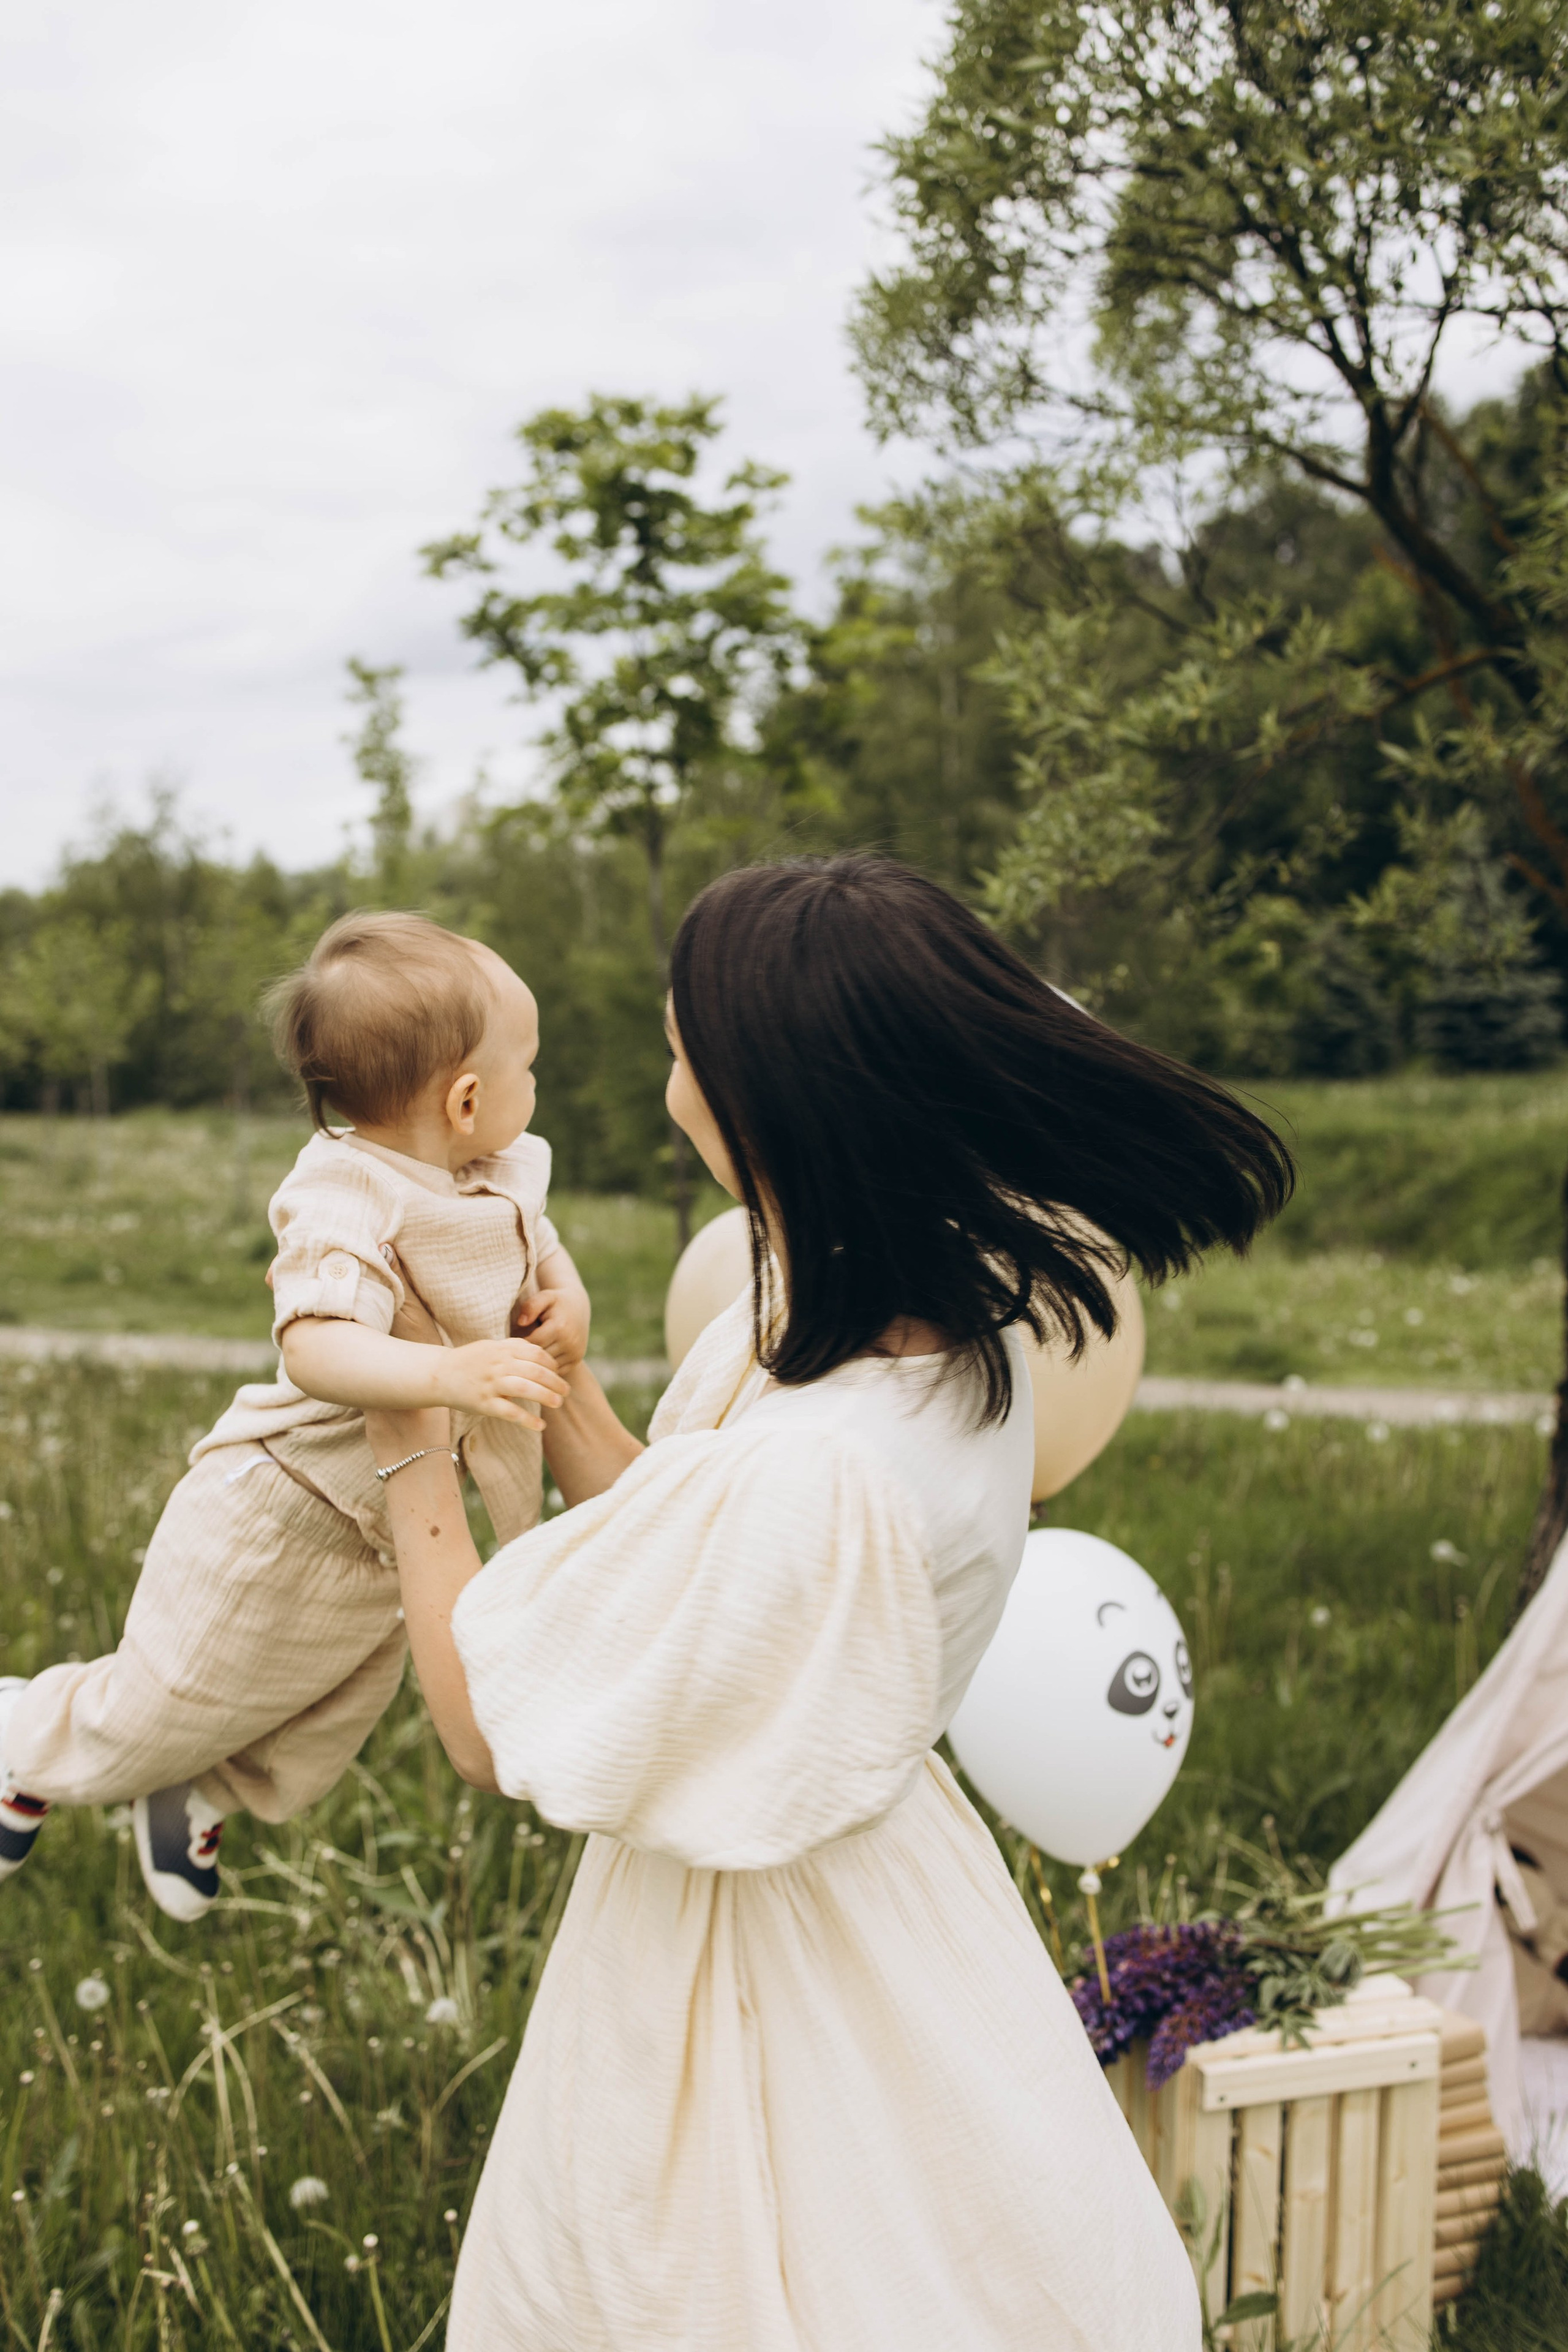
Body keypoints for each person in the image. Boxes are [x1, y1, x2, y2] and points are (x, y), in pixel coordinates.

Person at [362, 856, 1294, 2351]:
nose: (667, 1077)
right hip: (885, 1872)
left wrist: (400, 1429)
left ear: (770, 1100)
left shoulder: (826, 1471)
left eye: (683, 1055)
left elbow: (482, 1728)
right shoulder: (921, 1311)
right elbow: (690, 1548)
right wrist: (567, 1391)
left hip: (765, 1940)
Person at [0, 912, 579, 1920]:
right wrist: (445, 1377)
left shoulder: (500, 1167)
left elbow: (541, 1249)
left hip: (383, 1537)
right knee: (169, 1696)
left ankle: (196, 1791)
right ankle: (23, 1746)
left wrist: (566, 1300)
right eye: (530, 1064)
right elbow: (314, 1342)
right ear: (467, 1096)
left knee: (322, 1717)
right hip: (280, 1507)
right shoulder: (348, 1189)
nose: (540, 1087)